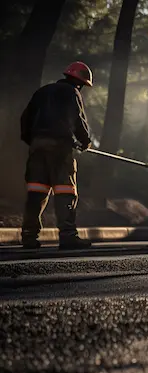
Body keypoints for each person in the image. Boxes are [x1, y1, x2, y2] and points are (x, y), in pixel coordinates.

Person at [19, 61, 94, 250]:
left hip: (37, 147)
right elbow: (77, 119)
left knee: (36, 191)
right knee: (65, 192)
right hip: (60, 148)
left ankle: (29, 236)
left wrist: (34, 140)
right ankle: (68, 236)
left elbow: (25, 119)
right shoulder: (72, 93)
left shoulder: (42, 91)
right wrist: (85, 142)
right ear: (79, 83)